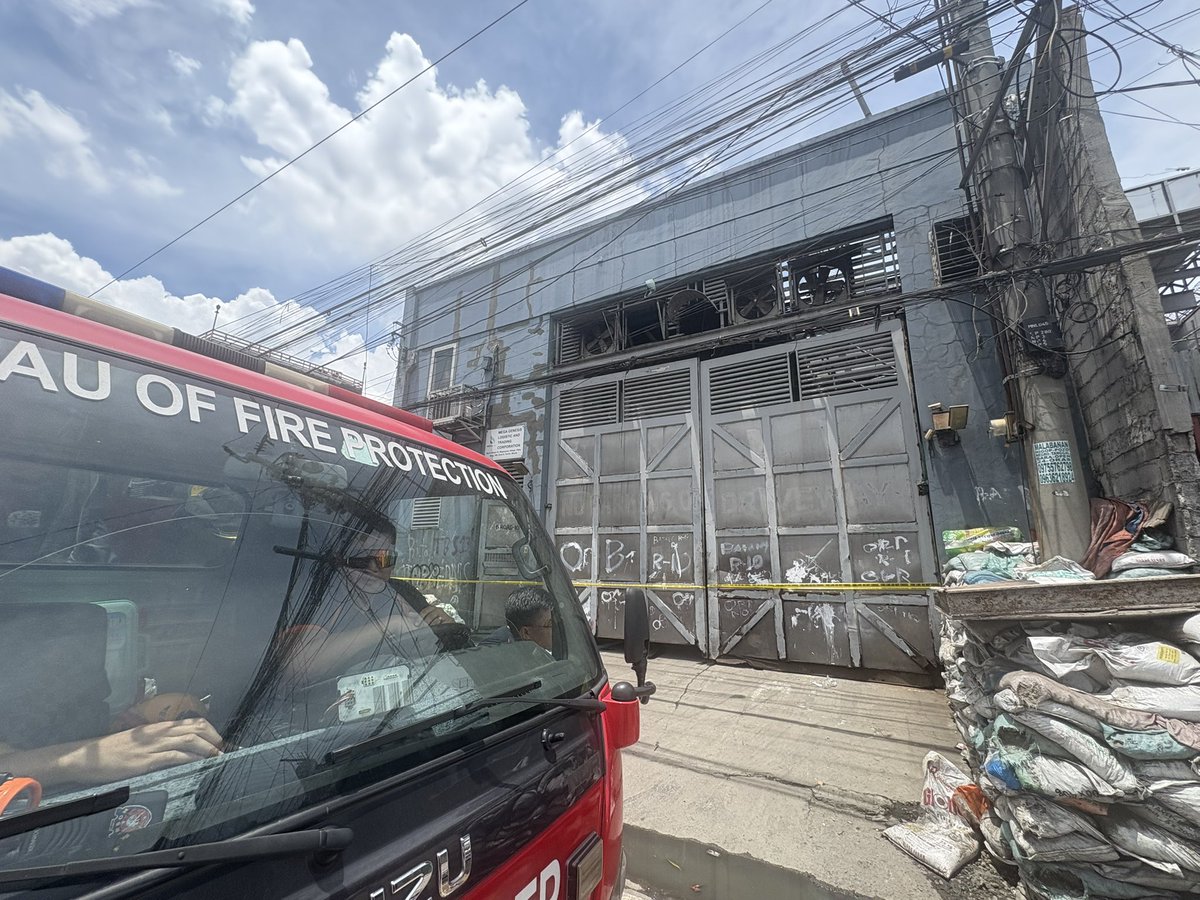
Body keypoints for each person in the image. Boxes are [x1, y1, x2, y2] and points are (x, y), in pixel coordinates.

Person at [282, 522, 465, 684]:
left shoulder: (401, 591)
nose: (373, 567)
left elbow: (435, 645)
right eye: (361, 557)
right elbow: (298, 665)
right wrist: (388, 627)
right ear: (339, 558)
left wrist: (444, 626)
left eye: (384, 558)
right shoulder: (324, 594)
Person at [482, 586, 556, 651]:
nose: (556, 631)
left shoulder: (534, 651)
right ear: (526, 633)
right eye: (550, 625)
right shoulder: (496, 653)